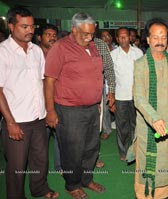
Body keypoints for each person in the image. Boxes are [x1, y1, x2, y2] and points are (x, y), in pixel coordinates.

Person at [44, 12, 105, 198]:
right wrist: (50, 111)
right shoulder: (60, 48)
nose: (89, 37)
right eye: (85, 34)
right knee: (72, 151)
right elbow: (49, 81)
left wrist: (96, 101)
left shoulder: (93, 47)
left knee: (91, 148)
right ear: (73, 29)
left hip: (92, 109)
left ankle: (86, 179)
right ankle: (72, 184)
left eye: (92, 33)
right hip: (69, 110)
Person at [0, 6, 59, 199]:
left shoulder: (36, 51)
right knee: (17, 166)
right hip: (17, 120)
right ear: (11, 26)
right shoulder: (3, 52)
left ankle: (39, 189)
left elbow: (43, 82)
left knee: (40, 160)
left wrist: (48, 111)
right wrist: (10, 122)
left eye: (32, 26)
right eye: (24, 26)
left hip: (38, 117)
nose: (30, 30)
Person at [132, 18, 168, 199]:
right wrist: (154, 118)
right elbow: (138, 98)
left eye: (163, 37)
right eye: (155, 37)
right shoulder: (140, 64)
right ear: (148, 39)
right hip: (148, 124)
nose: (160, 41)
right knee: (148, 161)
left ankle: (164, 193)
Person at [111, 27, 143, 161]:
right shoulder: (113, 55)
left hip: (137, 96)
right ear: (117, 39)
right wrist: (111, 97)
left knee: (136, 125)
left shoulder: (138, 53)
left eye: (126, 36)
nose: (124, 39)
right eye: (121, 37)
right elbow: (109, 77)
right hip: (120, 96)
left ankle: (136, 150)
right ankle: (123, 151)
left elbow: (142, 75)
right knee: (122, 126)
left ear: (131, 37)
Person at [36, 23, 62, 172]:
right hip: (38, 105)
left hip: (56, 102)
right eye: (48, 35)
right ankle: (40, 170)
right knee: (41, 141)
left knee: (60, 136)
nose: (52, 38)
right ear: (39, 37)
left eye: (54, 35)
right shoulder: (34, 54)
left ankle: (59, 166)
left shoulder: (59, 53)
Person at [94, 31, 116, 169]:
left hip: (98, 90)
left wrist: (111, 91)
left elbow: (108, 69)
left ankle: (93, 157)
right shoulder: (68, 45)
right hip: (75, 95)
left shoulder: (99, 45)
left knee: (96, 126)